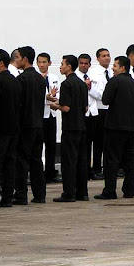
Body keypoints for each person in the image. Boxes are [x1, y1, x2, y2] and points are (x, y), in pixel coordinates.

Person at [95, 56, 134, 200]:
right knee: (129, 160)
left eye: (115, 66)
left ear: (122, 68)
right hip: (130, 126)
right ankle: (129, 190)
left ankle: (110, 190)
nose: (112, 68)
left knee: (112, 159)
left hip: (115, 126)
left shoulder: (114, 81)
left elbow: (106, 100)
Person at [0, 49, 21, 209]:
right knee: (9, 163)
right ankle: (7, 197)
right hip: (13, 128)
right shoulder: (15, 81)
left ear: (0, 63)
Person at [51, 55, 89, 202]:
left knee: (69, 161)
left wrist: (55, 105)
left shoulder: (66, 84)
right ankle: (82, 192)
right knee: (81, 160)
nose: (60, 67)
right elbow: (85, 108)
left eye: (62, 64)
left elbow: (66, 107)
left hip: (70, 127)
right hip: (81, 126)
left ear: (69, 66)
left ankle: (68, 192)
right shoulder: (81, 84)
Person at [14, 46, 46, 205]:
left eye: (18, 57)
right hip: (38, 124)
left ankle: (21, 195)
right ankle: (40, 194)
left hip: (25, 125)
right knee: (36, 160)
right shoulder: (40, 79)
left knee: (22, 161)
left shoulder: (21, 80)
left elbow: (19, 104)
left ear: (25, 59)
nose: (16, 60)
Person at [75, 54, 100, 180]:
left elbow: (100, 95)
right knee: (82, 143)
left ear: (90, 64)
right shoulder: (76, 77)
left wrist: (90, 88)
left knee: (92, 142)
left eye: (86, 63)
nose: (84, 65)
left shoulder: (94, 75)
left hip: (93, 113)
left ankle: (91, 169)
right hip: (82, 113)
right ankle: (82, 169)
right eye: (81, 63)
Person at [37, 52, 61, 183]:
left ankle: (50, 171)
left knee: (51, 144)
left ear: (49, 63)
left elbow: (57, 94)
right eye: (39, 62)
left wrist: (51, 98)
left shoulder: (54, 77)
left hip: (52, 114)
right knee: (39, 144)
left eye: (44, 62)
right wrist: (46, 97)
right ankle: (39, 172)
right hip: (40, 115)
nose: (42, 65)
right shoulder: (36, 78)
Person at [91, 48, 113, 180]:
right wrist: (106, 96)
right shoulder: (94, 73)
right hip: (99, 109)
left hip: (110, 109)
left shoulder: (112, 72)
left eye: (108, 55)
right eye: (103, 56)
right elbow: (93, 91)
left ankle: (107, 167)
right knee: (98, 140)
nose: (106, 58)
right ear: (98, 58)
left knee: (109, 141)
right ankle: (97, 167)